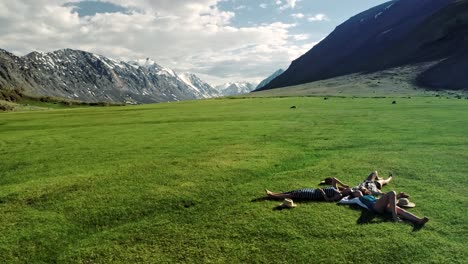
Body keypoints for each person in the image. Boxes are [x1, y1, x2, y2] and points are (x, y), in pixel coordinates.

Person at [340, 187, 429, 226]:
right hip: (375, 207)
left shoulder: (370, 196)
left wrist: (397, 197)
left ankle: (419, 220)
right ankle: (395, 217)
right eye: (355, 192)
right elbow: (342, 201)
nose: (358, 191)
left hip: (380, 204)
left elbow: (386, 199)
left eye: (359, 190)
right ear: (354, 195)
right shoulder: (356, 199)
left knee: (400, 210)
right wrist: (347, 195)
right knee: (392, 192)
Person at [265, 186, 350, 202]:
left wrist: (323, 193)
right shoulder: (337, 189)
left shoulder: (339, 195)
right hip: (313, 190)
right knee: (293, 191)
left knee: (294, 194)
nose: (346, 189)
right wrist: (343, 185)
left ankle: (273, 196)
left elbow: (328, 200)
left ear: (347, 193)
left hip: (313, 195)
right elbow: (334, 179)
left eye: (347, 190)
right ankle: (274, 193)